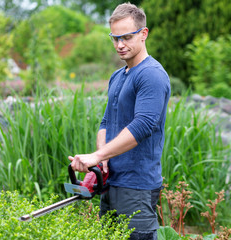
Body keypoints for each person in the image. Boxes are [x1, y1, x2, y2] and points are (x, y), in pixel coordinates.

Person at [68, 2, 171, 239]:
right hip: (112, 181)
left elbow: (143, 125)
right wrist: (102, 161)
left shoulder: (152, 75)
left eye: (126, 37)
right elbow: (106, 121)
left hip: (137, 185)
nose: (120, 45)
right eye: (115, 38)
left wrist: (97, 156)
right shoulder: (117, 76)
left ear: (143, 34)